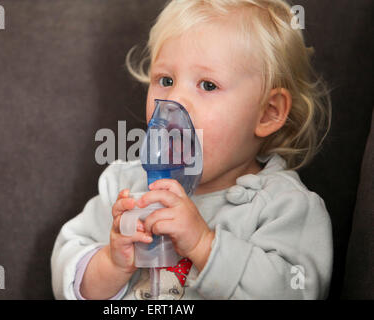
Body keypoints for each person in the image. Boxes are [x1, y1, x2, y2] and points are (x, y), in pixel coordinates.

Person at [51, 0, 333, 300]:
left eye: (208, 85)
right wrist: (110, 263)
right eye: (166, 80)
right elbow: (65, 268)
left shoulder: (283, 208)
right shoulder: (125, 186)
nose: (175, 101)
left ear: (268, 112)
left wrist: (204, 245)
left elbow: (294, 292)